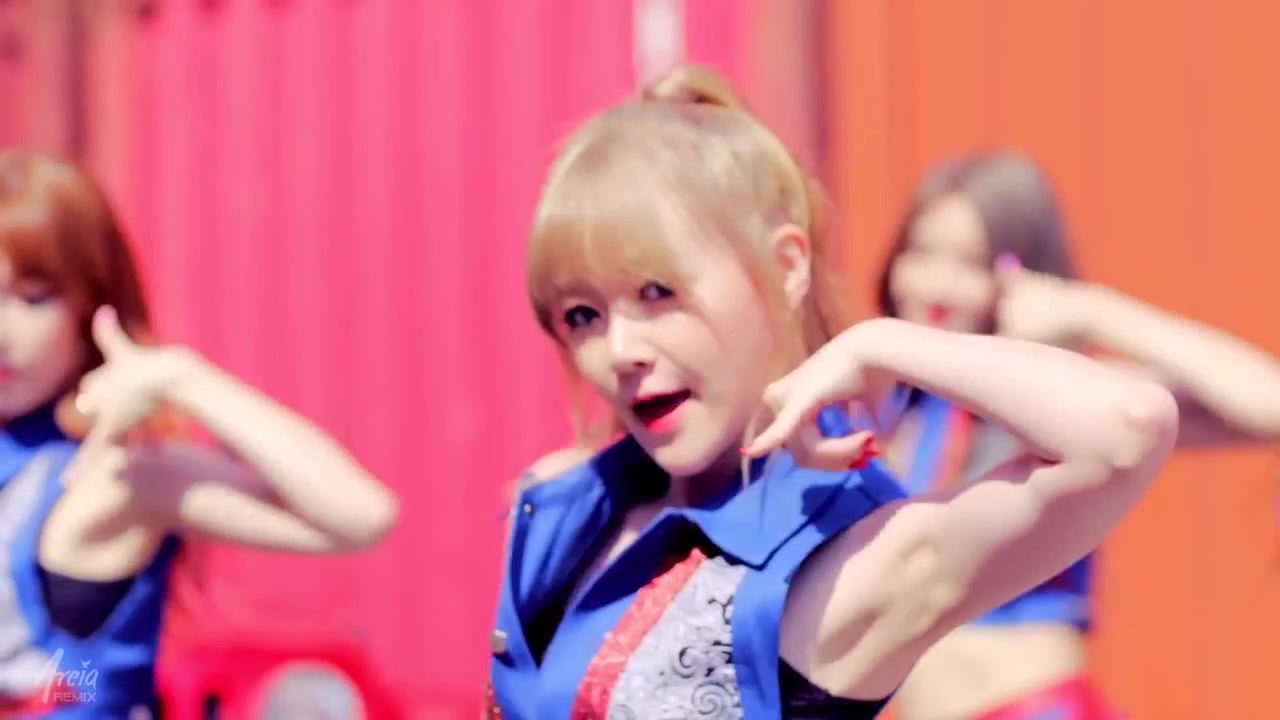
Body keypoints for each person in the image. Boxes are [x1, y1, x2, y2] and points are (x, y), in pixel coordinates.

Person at [485, 66, 1178, 719]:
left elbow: (1128, 426)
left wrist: (878, 342)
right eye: (583, 314)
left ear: (787, 267)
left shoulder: (837, 555)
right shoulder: (564, 502)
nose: (619, 351)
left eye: (657, 291)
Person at [876, 149, 1280, 719]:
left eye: (970, 264)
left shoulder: (1053, 405)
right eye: (921, 252)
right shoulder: (883, 409)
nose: (937, 285)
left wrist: (1092, 312)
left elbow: (1271, 403)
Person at [0, 150, 399, 718]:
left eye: (33, 299)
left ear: (90, 304)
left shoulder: (123, 473)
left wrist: (181, 377)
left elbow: (362, 514)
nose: (2, 331)